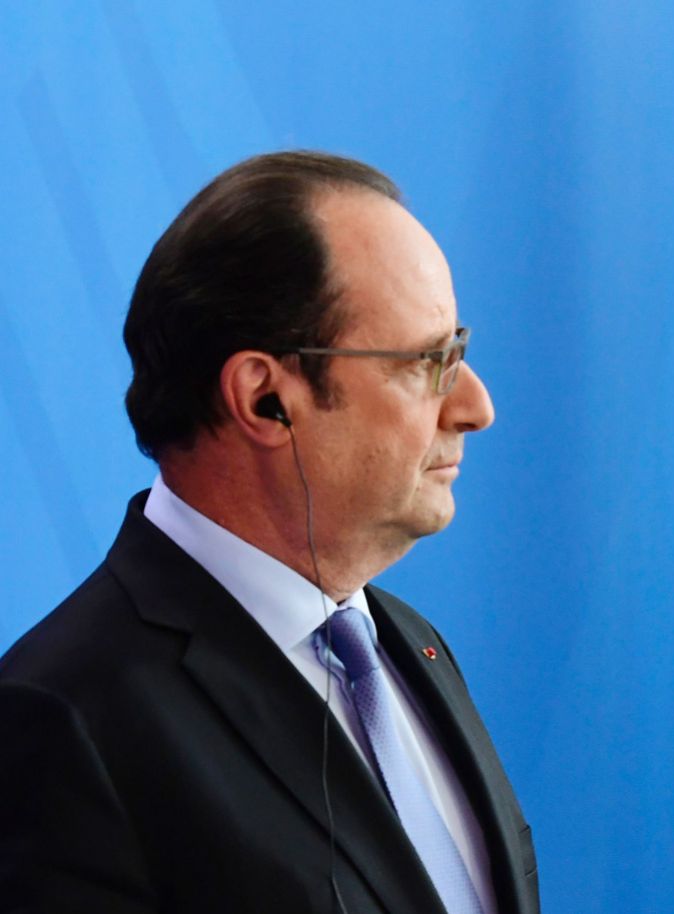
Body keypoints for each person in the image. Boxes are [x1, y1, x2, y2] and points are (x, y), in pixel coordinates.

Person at [0, 152, 539, 913]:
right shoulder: (61, 720)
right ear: (264, 399)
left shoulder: (406, 646)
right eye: (429, 361)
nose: (476, 406)